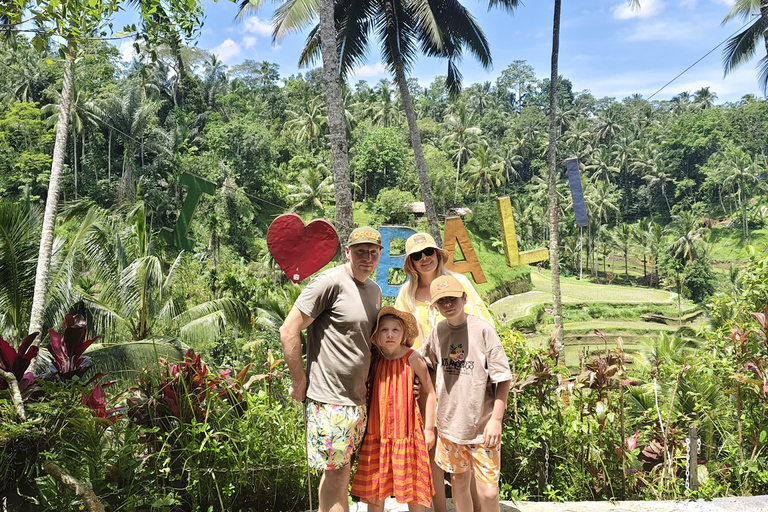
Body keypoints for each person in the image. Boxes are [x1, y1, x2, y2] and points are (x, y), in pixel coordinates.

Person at [279, 226, 383, 512]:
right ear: (347, 252)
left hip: (360, 399)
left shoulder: (375, 291)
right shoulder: (329, 282)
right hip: (331, 400)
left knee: (340, 471)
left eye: (373, 252)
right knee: (338, 475)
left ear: (380, 256)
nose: (367, 258)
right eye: (360, 251)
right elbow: (289, 330)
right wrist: (299, 382)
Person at [394, 232, 492, 512]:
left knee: (467, 442)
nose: (424, 259)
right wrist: (409, 378)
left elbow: (482, 323)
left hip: (462, 377)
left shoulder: (460, 283)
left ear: (438, 255)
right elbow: (402, 339)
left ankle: (476, 507)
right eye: (417, 255)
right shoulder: (407, 294)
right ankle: (439, 507)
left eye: (429, 253)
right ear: (410, 263)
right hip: (426, 379)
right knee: (431, 445)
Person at [419, 275, 512, 512]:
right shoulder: (438, 331)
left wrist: (496, 420)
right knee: (459, 481)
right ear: (435, 306)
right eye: (442, 301)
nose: (448, 305)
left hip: (483, 429)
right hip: (450, 427)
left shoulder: (483, 330)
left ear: (464, 298)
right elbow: (423, 361)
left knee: (489, 493)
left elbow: (503, 379)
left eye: (452, 299)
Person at [351, 307, 436, 512]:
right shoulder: (374, 359)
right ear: (376, 335)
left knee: (414, 489)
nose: (390, 334)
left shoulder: (413, 359)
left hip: (407, 432)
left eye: (395, 330)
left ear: (404, 334)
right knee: (375, 489)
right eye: (384, 330)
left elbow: (430, 392)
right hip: (377, 434)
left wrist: (430, 430)